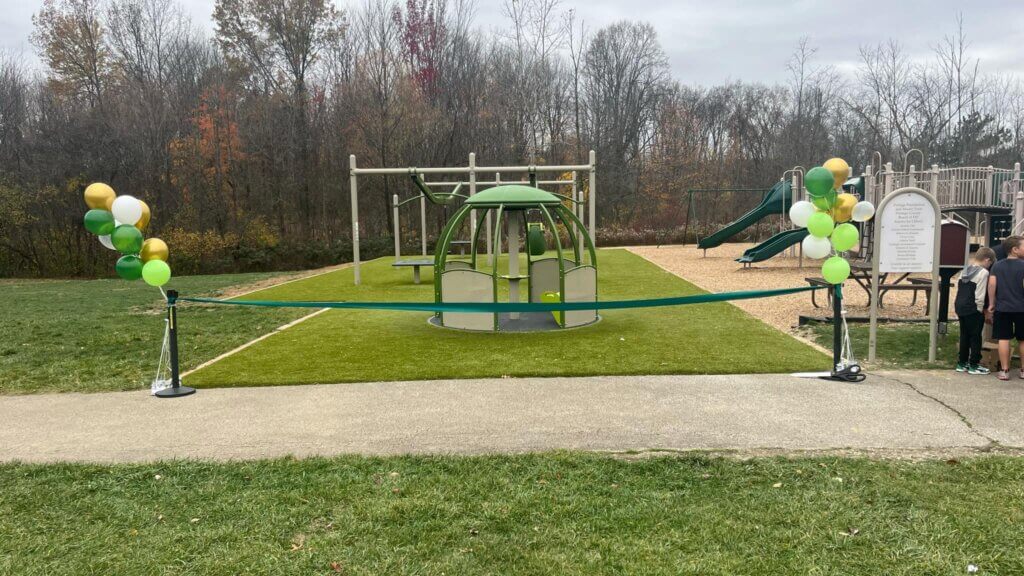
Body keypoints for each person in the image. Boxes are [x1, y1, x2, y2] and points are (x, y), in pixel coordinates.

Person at [987, 235, 1024, 380]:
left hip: (1003, 307)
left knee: (1004, 339)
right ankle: (1023, 370)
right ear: (1015, 249)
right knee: (1023, 340)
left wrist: (991, 303)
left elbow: (992, 285)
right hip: (1022, 308)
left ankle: (1004, 370)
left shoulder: (997, 265)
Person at [955, 247, 995, 374]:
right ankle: (974, 365)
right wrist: (980, 309)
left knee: (964, 335)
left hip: (960, 306)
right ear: (987, 259)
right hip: (973, 307)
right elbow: (980, 293)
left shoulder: (965, 270)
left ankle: (962, 363)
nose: (989, 266)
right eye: (990, 263)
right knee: (975, 336)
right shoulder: (983, 272)